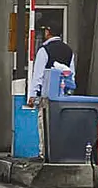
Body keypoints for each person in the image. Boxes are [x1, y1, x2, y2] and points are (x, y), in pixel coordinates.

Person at [27, 24, 75, 159]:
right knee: (60, 125)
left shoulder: (44, 50)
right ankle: (58, 153)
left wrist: (32, 95)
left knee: (43, 124)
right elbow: (71, 74)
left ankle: (44, 154)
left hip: (46, 95)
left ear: (48, 32)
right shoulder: (68, 50)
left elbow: (38, 75)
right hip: (62, 96)